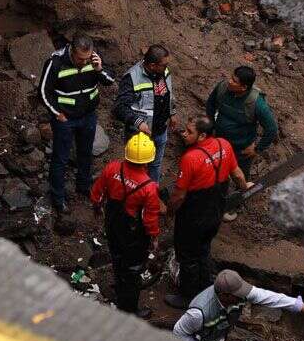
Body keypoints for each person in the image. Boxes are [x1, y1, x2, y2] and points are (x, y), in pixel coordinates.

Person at [163, 116, 251, 309]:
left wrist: (169, 214)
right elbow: (237, 174)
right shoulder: (224, 145)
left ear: (202, 135)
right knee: (203, 249)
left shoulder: (190, 158)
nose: (184, 134)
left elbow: (178, 196)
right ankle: (206, 286)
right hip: (215, 213)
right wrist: (246, 189)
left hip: (193, 216)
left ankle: (188, 296)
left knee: (187, 256)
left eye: (189, 132)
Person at [173, 270, 304, 341]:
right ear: (224, 295)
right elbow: (179, 332)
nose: (245, 296)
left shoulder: (238, 294)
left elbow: (274, 298)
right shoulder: (198, 313)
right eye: (240, 294)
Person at [90, 133, 164, 318]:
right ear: (148, 161)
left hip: (113, 222)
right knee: (133, 269)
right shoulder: (149, 187)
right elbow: (149, 218)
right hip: (133, 232)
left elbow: (97, 193)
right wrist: (154, 237)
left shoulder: (112, 168)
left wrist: (97, 208)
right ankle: (129, 309)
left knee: (116, 254)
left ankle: (119, 284)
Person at [38, 35, 115, 213]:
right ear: (72, 51)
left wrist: (99, 69)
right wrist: (57, 113)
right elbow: (43, 91)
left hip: (88, 115)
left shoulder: (94, 59)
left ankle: (83, 185)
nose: (84, 62)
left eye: (87, 58)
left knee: (85, 153)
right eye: (80, 59)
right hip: (65, 119)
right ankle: (58, 198)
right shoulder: (55, 62)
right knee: (61, 158)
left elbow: (109, 81)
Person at [205, 65, 278, 221]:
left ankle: (234, 205)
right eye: (231, 77)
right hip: (219, 143)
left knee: (240, 178)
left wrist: (257, 148)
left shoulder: (257, 104)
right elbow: (210, 105)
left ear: (244, 87)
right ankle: (214, 203)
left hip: (241, 150)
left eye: (234, 81)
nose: (229, 81)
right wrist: (210, 128)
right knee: (217, 176)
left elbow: (271, 129)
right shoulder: (223, 88)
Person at [112, 44, 177, 182]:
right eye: (164, 65)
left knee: (155, 165)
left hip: (161, 130)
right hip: (139, 135)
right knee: (133, 167)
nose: (167, 67)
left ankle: (151, 196)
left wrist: (172, 113)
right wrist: (138, 122)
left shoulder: (163, 72)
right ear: (152, 65)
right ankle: (131, 193)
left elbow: (169, 94)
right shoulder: (132, 78)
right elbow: (119, 107)